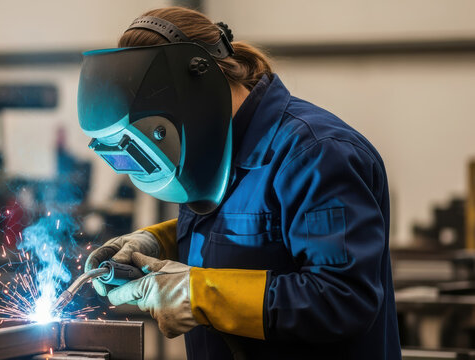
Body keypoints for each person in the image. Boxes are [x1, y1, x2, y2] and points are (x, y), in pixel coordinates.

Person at [78, 6, 401, 360]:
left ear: (193, 94)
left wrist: (197, 295)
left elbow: (343, 299)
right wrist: (157, 243)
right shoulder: (212, 153)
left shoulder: (317, 153)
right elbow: (257, 235)